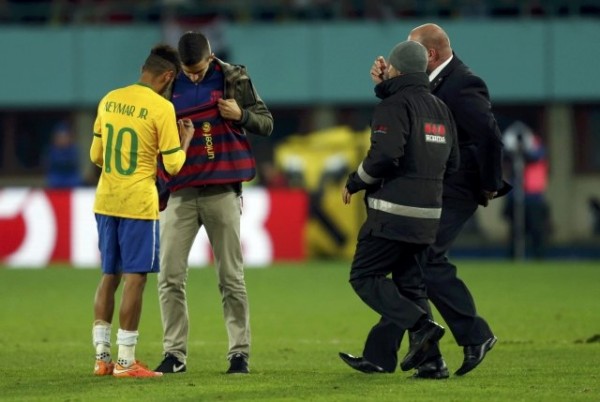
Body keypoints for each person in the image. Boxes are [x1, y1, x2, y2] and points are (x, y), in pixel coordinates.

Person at [341, 23, 507, 378]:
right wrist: (388, 83)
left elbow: (490, 136)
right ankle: (413, 358)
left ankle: (473, 333)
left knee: (424, 261)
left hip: (457, 187)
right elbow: (409, 109)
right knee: (412, 267)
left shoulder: (464, 83)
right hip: (437, 187)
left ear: (429, 54)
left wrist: (490, 184)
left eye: (412, 50)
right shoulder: (432, 88)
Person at [155, 31, 273, 375]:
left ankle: (239, 354)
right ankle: (174, 355)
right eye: (187, 71)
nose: (192, 76)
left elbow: (265, 122)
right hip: (181, 190)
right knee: (169, 277)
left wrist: (241, 115)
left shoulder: (234, 79)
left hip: (222, 191)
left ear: (211, 57)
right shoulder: (168, 84)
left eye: (198, 69)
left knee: (230, 277)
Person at [338, 40, 459, 375]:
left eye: (390, 67)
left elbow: (385, 155)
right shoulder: (440, 108)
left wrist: (355, 181)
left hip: (392, 215)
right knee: (410, 286)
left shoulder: (393, 106)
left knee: (364, 275)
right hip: (428, 216)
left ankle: (421, 326)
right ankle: (431, 363)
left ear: (397, 69)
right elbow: (454, 163)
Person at [90, 44, 194, 378]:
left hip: (106, 199)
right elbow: (174, 165)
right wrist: (186, 138)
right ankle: (125, 361)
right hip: (138, 203)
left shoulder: (109, 99)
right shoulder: (161, 108)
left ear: (142, 69)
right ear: (167, 76)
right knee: (136, 277)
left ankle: (102, 358)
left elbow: (96, 155)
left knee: (110, 275)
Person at [502, 122, 550, 259]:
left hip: (533, 195)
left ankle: (539, 257)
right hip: (515, 194)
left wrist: (522, 149)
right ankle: (513, 257)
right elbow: (503, 154)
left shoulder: (538, 146)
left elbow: (534, 156)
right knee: (515, 230)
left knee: (536, 229)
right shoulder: (510, 144)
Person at [44, 122, 83, 188]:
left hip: (71, 175)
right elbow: (48, 163)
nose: (62, 139)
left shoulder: (73, 149)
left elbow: (74, 162)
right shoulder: (51, 149)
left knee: (77, 181)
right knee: (53, 181)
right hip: (57, 175)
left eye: (65, 137)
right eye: (60, 137)